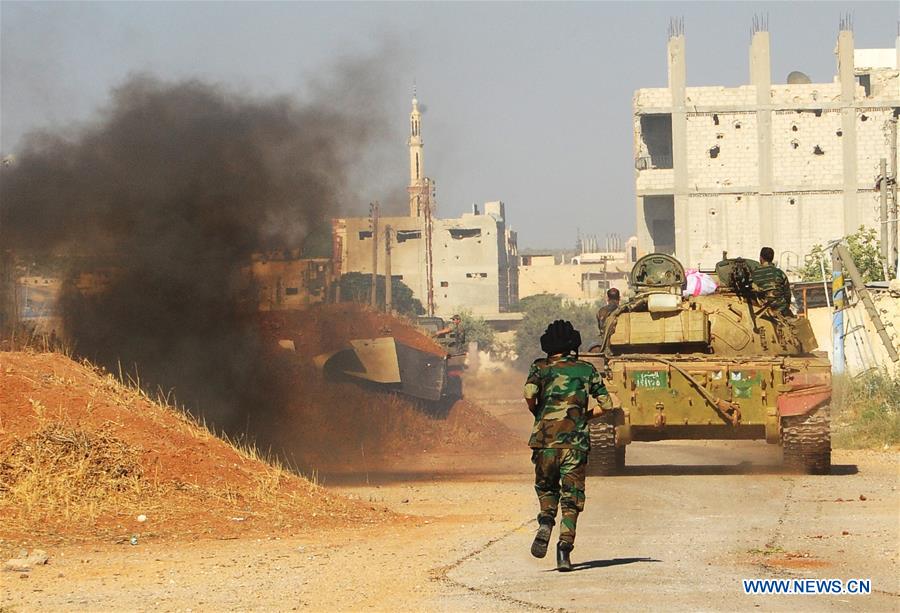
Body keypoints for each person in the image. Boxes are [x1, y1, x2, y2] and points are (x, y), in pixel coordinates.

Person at [524, 319, 613, 571]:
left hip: (545, 442)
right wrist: (584, 417)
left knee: (546, 488)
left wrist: (539, 412)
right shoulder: (586, 370)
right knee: (571, 499)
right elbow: (608, 405)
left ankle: (545, 520)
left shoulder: (539, 368)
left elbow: (529, 394)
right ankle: (564, 550)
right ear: (573, 344)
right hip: (575, 443)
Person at [751, 247, 793, 316]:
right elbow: (787, 294)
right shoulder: (779, 273)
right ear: (772, 258)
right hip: (781, 309)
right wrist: (786, 307)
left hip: (763, 311)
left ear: (761, 258)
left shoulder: (753, 274)